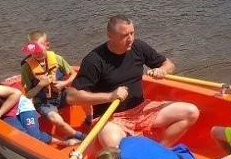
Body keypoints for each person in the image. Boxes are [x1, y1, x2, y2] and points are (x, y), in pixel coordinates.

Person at [66, 15, 200, 148]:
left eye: (132, 33)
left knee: (191, 112)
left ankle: (161, 150)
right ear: (110, 35)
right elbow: (72, 97)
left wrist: (163, 70)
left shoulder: (138, 47)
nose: (130, 39)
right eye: (124, 35)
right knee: (113, 142)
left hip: (141, 109)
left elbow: (169, 64)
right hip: (112, 118)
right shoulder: (94, 60)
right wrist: (110, 96)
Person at [20, 30, 85, 142]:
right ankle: (80, 136)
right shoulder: (26, 68)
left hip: (61, 94)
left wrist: (63, 84)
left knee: (84, 94)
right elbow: (28, 95)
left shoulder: (57, 59)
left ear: (47, 45)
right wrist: (40, 85)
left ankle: (89, 119)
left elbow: (74, 74)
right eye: (34, 52)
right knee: (55, 119)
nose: (37, 54)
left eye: (40, 50)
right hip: (43, 102)